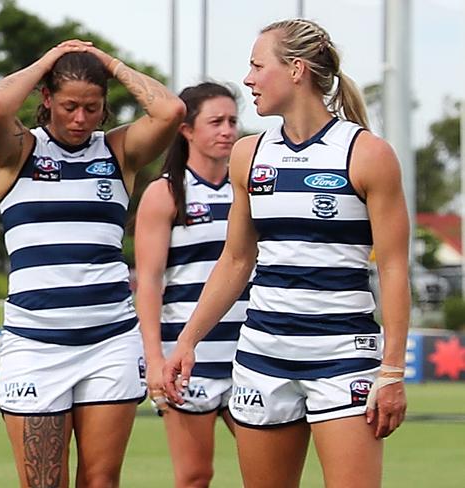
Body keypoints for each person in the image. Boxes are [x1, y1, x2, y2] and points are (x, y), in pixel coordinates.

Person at [164, 19, 410, 488]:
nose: (249, 79)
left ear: (296, 69)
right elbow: (236, 260)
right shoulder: (248, 154)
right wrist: (188, 341)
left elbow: (395, 268)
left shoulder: (366, 154)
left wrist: (392, 370)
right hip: (262, 354)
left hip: (343, 357)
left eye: (258, 66)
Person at [0, 39, 185, 488]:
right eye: (70, 105)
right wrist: (49, 60)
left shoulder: (117, 153)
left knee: (101, 481)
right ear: (46, 98)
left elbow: (170, 112)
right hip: (36, 344)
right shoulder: (19, 152)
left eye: (92, 108)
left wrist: (110, 63)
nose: (80, 119)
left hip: (109, 341)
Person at [134, 82, 248, 487]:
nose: (228, 131)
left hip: (250, 357)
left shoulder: (250, 189)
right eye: (216, 122)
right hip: (187, 359)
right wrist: (154, 360)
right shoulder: (166, 193)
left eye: (233, 121)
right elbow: (148, 282)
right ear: (186, 130)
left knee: (271, 475)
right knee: (195, 476)